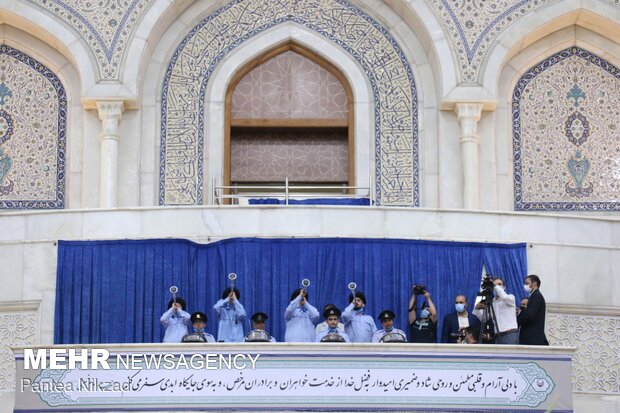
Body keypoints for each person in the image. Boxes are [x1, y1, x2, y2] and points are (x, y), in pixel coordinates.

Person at [473, 278, 519, 344]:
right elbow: (484, 319)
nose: (497, 286)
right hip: (497, 336)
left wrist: (494, 284)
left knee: (509, 354)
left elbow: (503, 296)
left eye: (499, 284)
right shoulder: (493, 303)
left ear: (504, 287)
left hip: (509, 334)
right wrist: (476, 308)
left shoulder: (510, 298)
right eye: (495, 285)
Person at [517, 274, 549, 345]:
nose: (525, 286)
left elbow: (530, 316)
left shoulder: (536, 296)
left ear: (534, 283)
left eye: (527, 283)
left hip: (532, 338)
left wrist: (519, 317)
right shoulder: (533, 296)